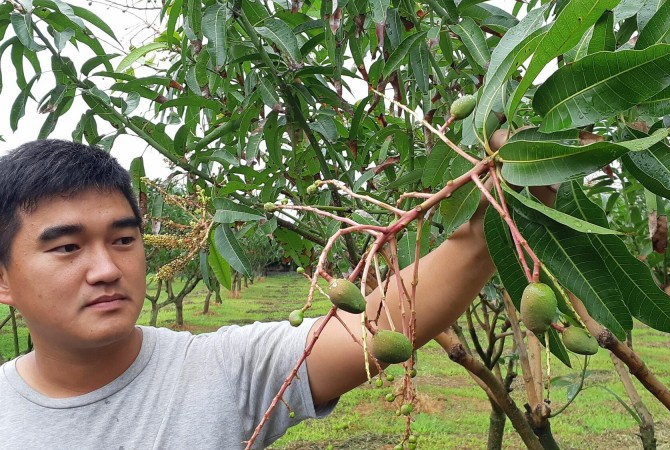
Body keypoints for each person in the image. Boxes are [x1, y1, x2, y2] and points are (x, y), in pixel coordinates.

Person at [0, 139, 496, 448]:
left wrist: (508, 190)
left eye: (124, 240)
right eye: (67, 247)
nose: (107, 268)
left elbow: (379, 326)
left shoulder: (223, 368)